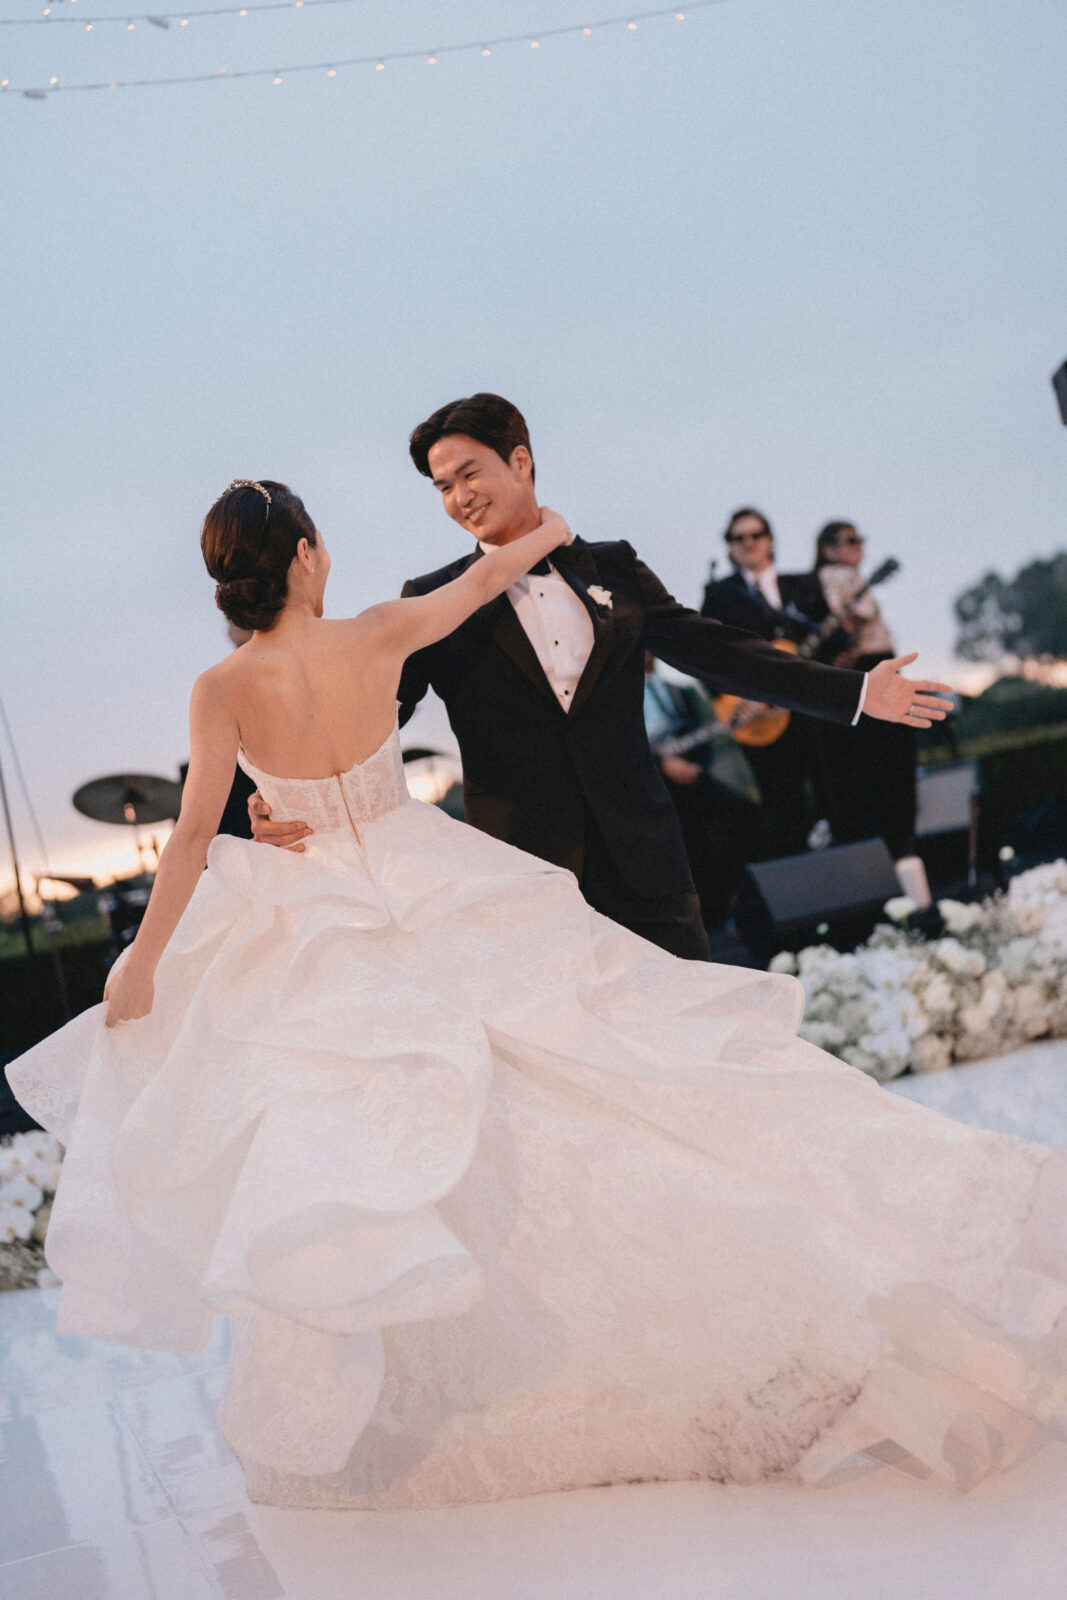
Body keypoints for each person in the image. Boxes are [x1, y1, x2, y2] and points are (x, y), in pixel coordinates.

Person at [9, 475, 1067, 1513]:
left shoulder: (218, 689)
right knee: (558, 1070)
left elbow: (195, 832)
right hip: (436, 876)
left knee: (369, 1131)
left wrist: (141, 962)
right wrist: (542, 525)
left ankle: (468, 1361)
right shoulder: (379, 629)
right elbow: (484, 583)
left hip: (323, 918)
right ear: (303, 557)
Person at [251, 398, 914, 959]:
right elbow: (373, 713)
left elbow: (722, 654)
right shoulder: (435, 598)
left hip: (648, 865)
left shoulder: (614, 567)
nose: (458, 498)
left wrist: (854, 693)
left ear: (520, 460)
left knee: (695, 1060)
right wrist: (288, 793)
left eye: (467, 473)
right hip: (524, 882)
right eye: (442, 487)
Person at [700, 508, 837, 857]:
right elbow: (703, 655)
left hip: (812, 711)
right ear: (729, 547)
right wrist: (733, 701)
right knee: (782, 805)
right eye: (738, 537)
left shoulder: (802, 585)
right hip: (758, 716)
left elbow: (832, 644)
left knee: (833, 790)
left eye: (755, 534)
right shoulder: (719, 595)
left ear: (770, 540)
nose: (748, 543)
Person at [812, 520, 917, 858]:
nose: (858, 546)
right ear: (828, 548)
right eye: (849, 540)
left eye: (859, 540)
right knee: (885, 760)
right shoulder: (834, 577)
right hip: (866, 667)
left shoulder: (851, 577)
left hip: (877, 663)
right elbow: (852, 614)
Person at [642, 653, 766, 928]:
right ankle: (710, 918)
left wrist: (696, 768)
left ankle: (749, 901)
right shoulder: (618, 702)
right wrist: (662, 763)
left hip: (693, 774)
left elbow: (703, 735)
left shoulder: (680, 691)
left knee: (744, 813)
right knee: (689, 844)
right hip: (651, 785)